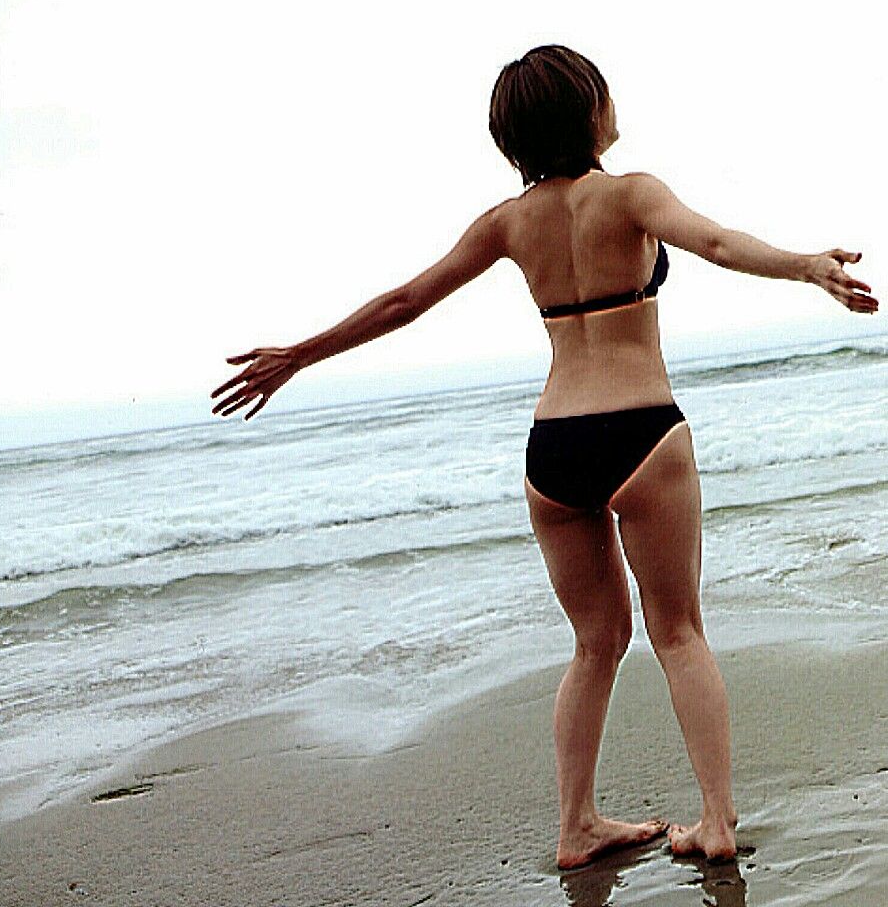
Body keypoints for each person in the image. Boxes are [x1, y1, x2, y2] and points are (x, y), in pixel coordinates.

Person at [211, 44, 879, 870]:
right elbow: (713, 242)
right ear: (588, 111)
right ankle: (714, 820)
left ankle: (576, 827)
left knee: (595, 643)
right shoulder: (630, 193)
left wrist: (298, 356)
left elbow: (405, 301)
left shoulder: (507, 222)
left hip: (553, 449)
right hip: (641, 432)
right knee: (677, 632)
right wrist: (807, 267)